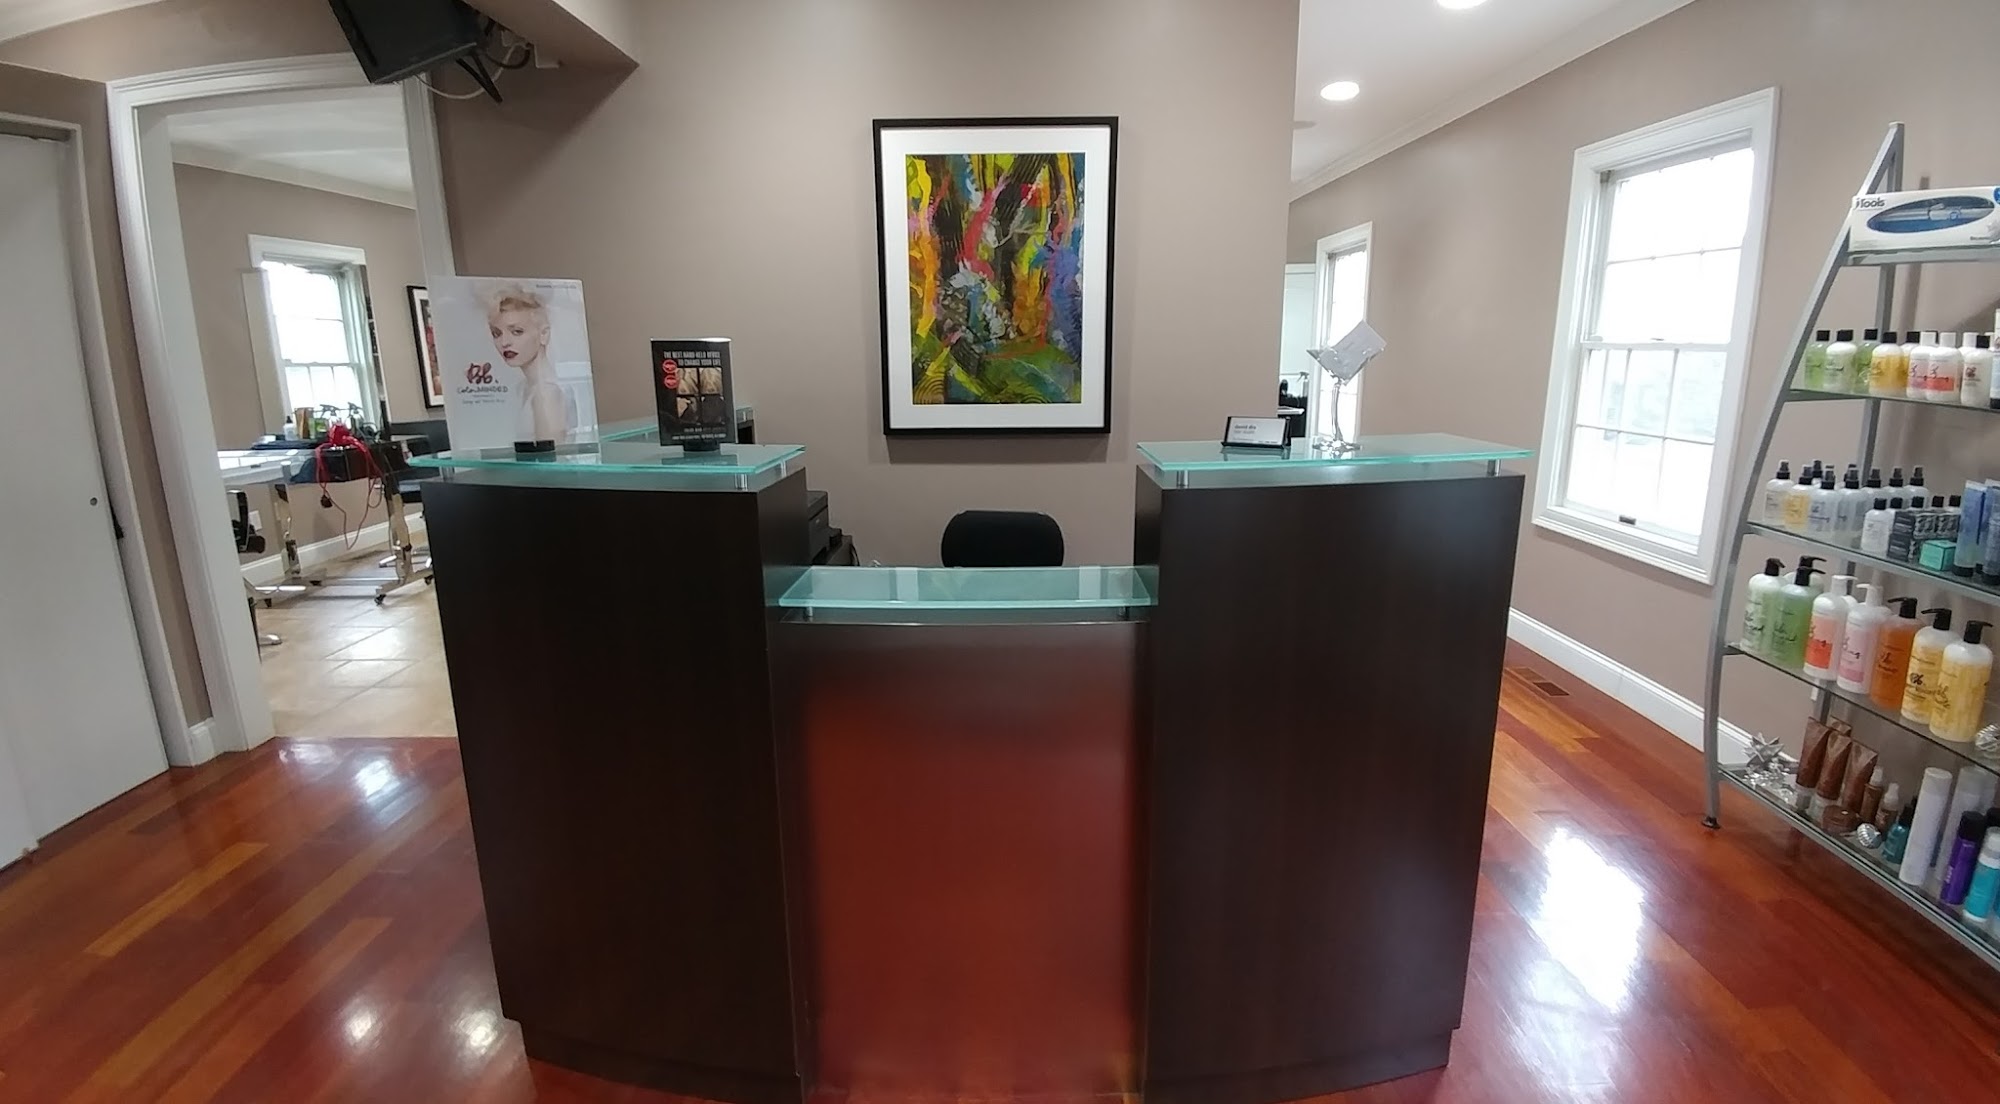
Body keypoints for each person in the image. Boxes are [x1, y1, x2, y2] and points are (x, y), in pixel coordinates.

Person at [486, 285, 572, 443]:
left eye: (517, 331)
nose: (504, 342)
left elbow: (551, 456)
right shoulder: (522, 389)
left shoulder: (547, 393)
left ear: (543, 334)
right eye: (496, 334)